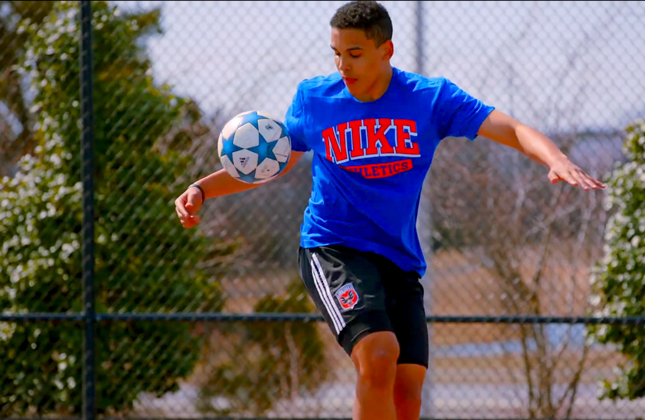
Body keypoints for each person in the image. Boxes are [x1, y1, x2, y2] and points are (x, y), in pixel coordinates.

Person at [174, 1, 606, 419]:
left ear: (386, 50)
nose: (344, 66)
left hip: (397, 258)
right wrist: (202, 189)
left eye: (355, 54)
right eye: (337, 54)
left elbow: (508, 127)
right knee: (378, 354)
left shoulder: (429, 99)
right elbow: (270, 162)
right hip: (333, 249)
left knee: (407, 390)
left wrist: (556, 159)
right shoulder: (315, 99)